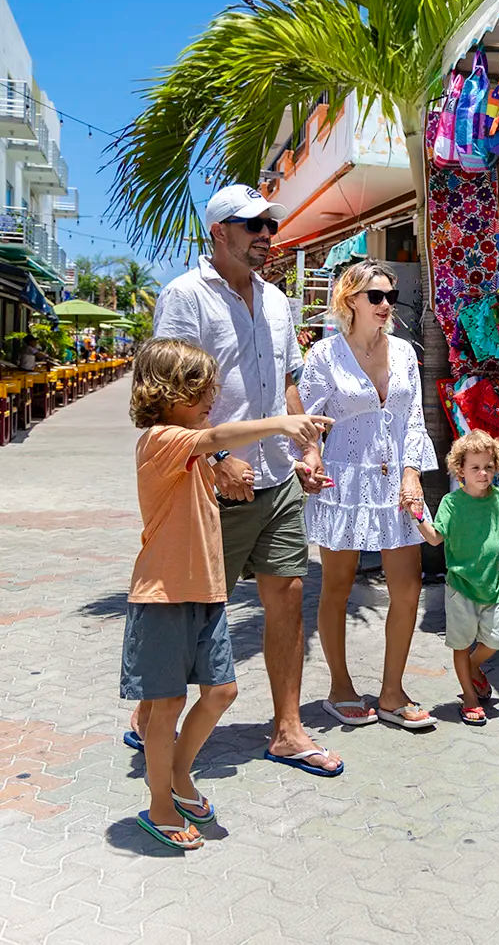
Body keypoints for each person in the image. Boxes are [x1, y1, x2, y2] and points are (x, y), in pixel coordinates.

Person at [142, 183, 343, 777]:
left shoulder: (279, 302)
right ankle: (153, 718)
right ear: (219, 232)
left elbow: (286, 383)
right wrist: (212, 461)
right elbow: (165, 394)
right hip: (213, 483)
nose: (265, 235)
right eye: (252, 225)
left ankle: (287, 730)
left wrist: (306, 449)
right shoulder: (185, 297)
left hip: (278, 478)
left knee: (287, 595)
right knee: (196, 609)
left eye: (269, 226)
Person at [121, 337, 333, 849]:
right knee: (167, 703)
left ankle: (175, 774)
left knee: (221, 692)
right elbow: (216, 436)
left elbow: (213, 446)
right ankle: (159, 804)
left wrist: (292, 468)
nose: (211, 398)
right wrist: (281, 423)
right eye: (199, 390)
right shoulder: (160, 440)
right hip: (163, 597)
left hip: (206, 593)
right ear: (165, 392)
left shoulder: (193, 450)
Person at [300, 261, 439, 730]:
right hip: (343, 482)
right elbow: (306, 422)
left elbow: (414, 418)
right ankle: (340, 687)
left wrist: (413, 472)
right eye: (375, 297)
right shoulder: (324, 355)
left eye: (390, 298)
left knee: (408, 587)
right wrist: (309, 457)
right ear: (350, 301)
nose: (385, 306)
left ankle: (392, 692)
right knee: (336, 588)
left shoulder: (403, 353)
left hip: (397, 483)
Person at [410, 429, 499, 727]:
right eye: (475, 467)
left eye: (489, 467)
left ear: (497, 467)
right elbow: (436, 539)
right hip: (461, 587)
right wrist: (417, 516)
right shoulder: (453, 503)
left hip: (493, 583)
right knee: (461, 645)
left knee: (497, 641)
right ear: (460, 469)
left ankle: (473, 668)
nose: (483, 473)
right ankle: (470, 697)